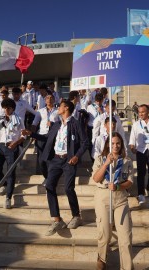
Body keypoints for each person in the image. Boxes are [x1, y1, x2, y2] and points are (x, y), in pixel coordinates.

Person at [22, 100, 88, 236]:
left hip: (69, 160)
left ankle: (76, 216)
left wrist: (77, 156)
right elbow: (46, 137)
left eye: (60, 106)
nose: (57, 108)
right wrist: (31, 134)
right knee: (49, 186)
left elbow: (85, 142)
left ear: (67, 108)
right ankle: (57, 219)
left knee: (68, 188)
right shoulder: (56, 124)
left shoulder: (76, 123)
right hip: (56, 160)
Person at [92, 132, 134, 270]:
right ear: (107, 144)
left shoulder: (127, 161)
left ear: (121, 145)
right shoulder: (100, 158)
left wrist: (118, 186)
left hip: (120, 198)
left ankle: (127, 267)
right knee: (105, 233)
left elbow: (129, 182)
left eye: (118, 143)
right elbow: (96, 178)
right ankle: (102, 258)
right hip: (103, 196)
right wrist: (106, 164)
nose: (115, 146)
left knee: (125, 237)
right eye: (112, 143)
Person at [0, 98, 26, 209]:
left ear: (12, 108)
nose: (6, 110)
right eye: (4, 108)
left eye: (8, 108)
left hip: (11, 147)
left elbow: (24, 136)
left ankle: (8, 198)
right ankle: (4, 185)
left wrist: (15, 143)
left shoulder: (18, 119)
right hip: (0, 146)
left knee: (10, 173)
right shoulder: (0, 119)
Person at [31, 94, 58, 183]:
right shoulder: (40, 111)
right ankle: (47, 177)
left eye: (51, 98)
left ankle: (50, 179)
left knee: (50, 159)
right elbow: (35, 123)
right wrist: (33, 135)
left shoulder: (58, 111)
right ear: (45, 100)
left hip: (52, 137)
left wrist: (53, 125)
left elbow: (61, 124)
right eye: (47, 98)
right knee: (41, 160)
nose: (49, 99)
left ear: (54, 100)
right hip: (41, 136)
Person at [86, 93, 104, 161]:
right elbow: (87, 118)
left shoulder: (104, 108)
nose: (99, 102)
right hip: (91, 127)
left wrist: (101, 112)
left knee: (99, 143)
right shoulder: (90, 107)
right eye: (97, 101)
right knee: (91, 143)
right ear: (95, 100)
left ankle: (99, 157)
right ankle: (93, 159)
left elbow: (105, 118)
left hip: (100, 128)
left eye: (100, 101)